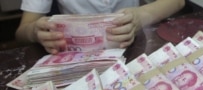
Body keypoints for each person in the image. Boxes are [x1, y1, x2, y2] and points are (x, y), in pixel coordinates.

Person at [15, 0, 185, 54]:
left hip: (132, 48)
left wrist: (140, 17)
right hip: (76, 56)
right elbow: (22, 32)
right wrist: (34, 32)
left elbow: (177, 1)